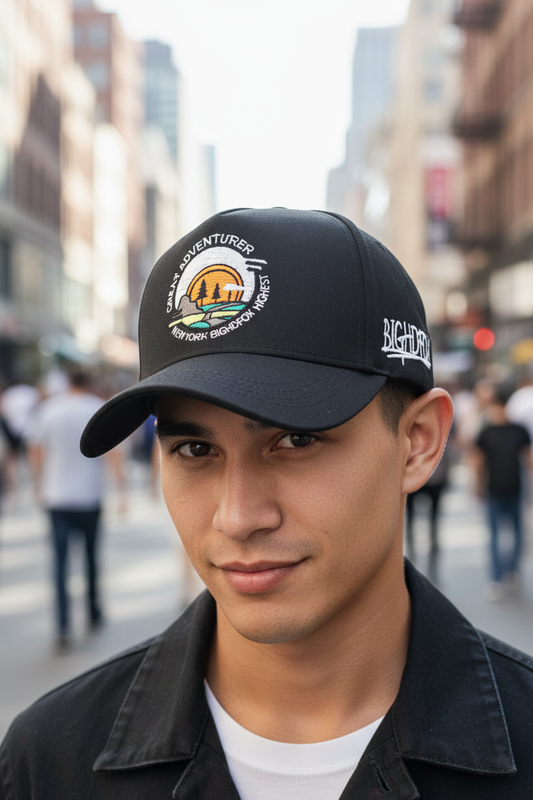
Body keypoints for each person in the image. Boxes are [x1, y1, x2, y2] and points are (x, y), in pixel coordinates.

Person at [2, 209, 533, 799]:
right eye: (195, 448)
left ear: (418, 444)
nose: (237, 516)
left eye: (296, 439)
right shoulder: (46, 762)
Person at [27, 368, 126, 650]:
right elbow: (113, 453)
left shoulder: (49, 410)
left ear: (67, 382)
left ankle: (62, 625)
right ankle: (93, 612)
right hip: (89, 496)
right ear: (90, 382)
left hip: (56, 496)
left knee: (59, 562)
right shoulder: (96, 409)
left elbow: (36, 450)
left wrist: (37, 483)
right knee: (91, 557)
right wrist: (122, 490)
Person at [473, 387, 532, 601]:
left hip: (509, 489)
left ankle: (506, 574)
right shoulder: (492, 431)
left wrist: (477, 485)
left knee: (510, 535)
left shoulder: (494, 430)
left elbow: (528, 461)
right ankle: (503, 575)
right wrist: (478, 485)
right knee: (503, 535)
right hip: (499, 489)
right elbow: (478, 462)